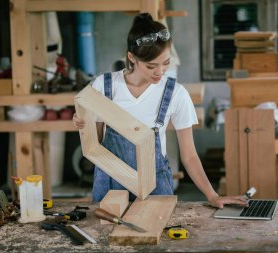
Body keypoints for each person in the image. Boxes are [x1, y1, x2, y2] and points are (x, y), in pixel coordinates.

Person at [73, 13, 248, 208]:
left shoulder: (175, 93)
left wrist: (213, 195)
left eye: (165, 63)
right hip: (110, 182)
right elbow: (96, 145)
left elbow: (189, 155)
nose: (160, 72)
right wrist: (84, 123)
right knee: (105, 234)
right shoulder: (104, 86)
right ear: (131, 58)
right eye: (151, 66)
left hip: (154, 184)